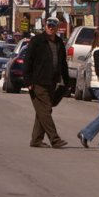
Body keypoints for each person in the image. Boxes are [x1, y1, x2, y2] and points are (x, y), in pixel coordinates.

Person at [22, 17, 70, 148]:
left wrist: (67, 81)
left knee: (42, 111)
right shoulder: (37, 41)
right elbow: (28, 61)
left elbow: (63, 64)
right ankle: (55, 139)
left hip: (52, 81)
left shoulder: (59, 42)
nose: (50, 28)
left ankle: (36, 140)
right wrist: (28, 80)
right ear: (45, 26)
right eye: (49, 25)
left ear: (57, 27)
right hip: (38, 81)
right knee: (45, 110)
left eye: (53, 26)